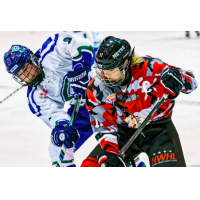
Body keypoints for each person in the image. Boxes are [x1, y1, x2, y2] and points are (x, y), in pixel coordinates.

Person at [81, 36, 198, 167]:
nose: (106, 76)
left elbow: (191, 81)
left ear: (125, 64)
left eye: (111, 71)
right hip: (123, 132)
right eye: (102, 70)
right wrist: (110, 153)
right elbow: (103, 126)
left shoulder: (151, 68)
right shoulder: (97, 87)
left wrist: (179, 80)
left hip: (159, 131)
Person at [4, 31, 101, 167]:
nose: (26, 76)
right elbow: (56, 116)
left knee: (119, 141)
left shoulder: (51, 50)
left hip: (103, 95)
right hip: (83, 109)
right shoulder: (35, 97)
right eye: (20, 75)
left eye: (26, 69)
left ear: (32, 59)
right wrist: (61, 128)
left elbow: (80, 43)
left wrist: (81, 66)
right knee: (57, 148)